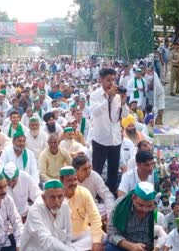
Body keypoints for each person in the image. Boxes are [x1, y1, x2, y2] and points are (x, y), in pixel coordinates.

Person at [90, 67, 128, 195]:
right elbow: (95, 113)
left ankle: (111, 198)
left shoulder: (117, 95)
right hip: (100, 139)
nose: (111, 83)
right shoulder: (95, 94)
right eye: (108, 80)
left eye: (113, 80)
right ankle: (95, 196)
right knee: (97, 172)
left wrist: (123, 103)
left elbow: (125, 115)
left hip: (115, 140)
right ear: (101, 80)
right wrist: (108, 98)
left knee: (113, 173)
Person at [59, 166, 104, 250]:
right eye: (69, 180)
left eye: (75, 179)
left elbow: (95, 217)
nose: (73, 183)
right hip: (62, 237)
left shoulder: (84, 192)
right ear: (61, 181)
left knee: (102, 237)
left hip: (81, 234)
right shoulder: (56, 196)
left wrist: (96, 242)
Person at [20, 180, 74, 250]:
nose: (57, 202)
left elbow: (68, 238)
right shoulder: (35, 210)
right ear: (44, 198)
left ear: (64, 196)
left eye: (60, 196)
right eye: (52, 197)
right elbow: (46, 241)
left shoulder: (65, 207)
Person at [106, 182, 155, 251]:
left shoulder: (157, 208)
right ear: (133, 198)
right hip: (126, 245)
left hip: (150, 246)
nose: (145, 210)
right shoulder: (120, 205)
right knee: (110, 248)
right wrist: (130, 246)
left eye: (149, 206)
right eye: (140, 205)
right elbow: (112, 233)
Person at [72, 155, 114, 221]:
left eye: (89, 167)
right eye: (85, 169)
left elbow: (107, 195)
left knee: (112, 210)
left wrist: (109, 217)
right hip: (75, 210)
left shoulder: (94, 176)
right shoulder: (70, 179)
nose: (88, 171)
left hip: (92, 208)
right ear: (76, 170)